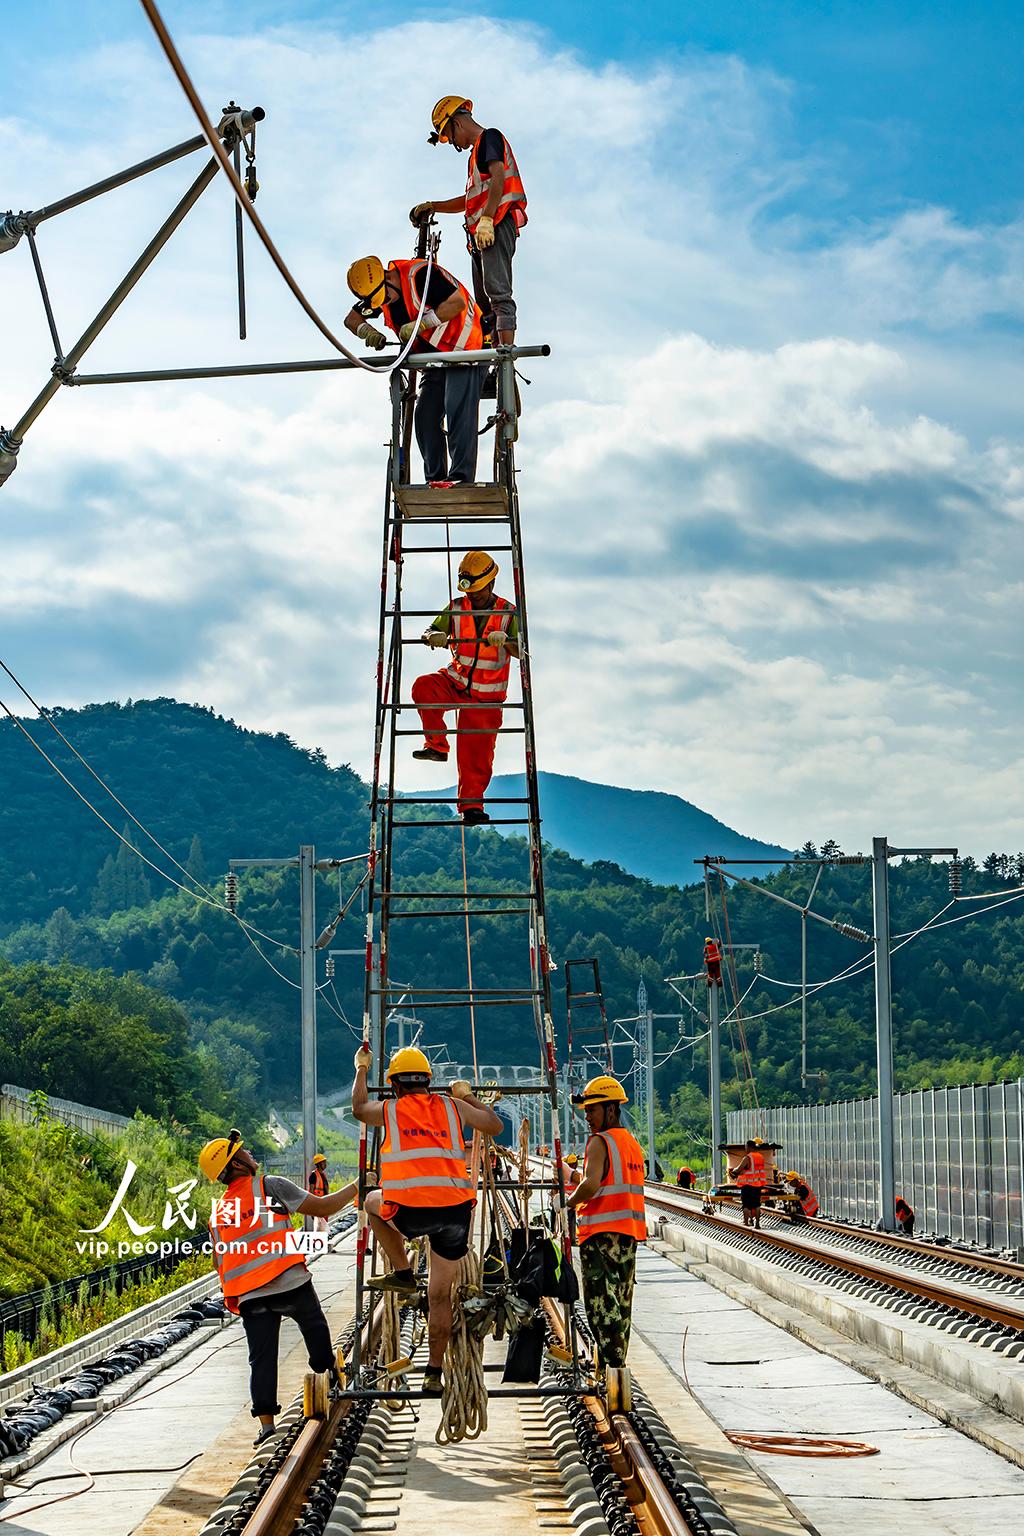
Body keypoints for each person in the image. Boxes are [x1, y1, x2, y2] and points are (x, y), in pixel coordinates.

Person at [352, 1044, 502, 1397]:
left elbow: (358, 1108)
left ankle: (403, 1272)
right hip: (455, 1214)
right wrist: (469, 1096)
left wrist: (361, 1068)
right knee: (439, 1297)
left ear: (395, 1086)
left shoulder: (390, 1110)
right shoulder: (452, 1107)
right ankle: (434, 1372)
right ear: (428, 1083)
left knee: (371, 1201)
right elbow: (494, 1125)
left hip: (410, 1212)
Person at [199, 1129, 356, 1446]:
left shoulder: (218, 1212)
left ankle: (267, 1426)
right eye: (245, 1152)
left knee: (261, 1357)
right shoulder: (269, 1185)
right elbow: (323, 1208)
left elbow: (221, 1262)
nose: (251, 1155)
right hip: (289, 1281)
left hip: (250, 1295)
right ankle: (328, 1378)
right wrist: (358, 1185)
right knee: (314, 1327)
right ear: (238, 1164)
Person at [344, 253, 484, 486]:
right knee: (425, 417)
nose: (385, 303)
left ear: (388, 279)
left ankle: (461, 477)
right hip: (433, 360)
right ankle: (436, 479)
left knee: (456, 408)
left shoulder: (421, 277)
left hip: (465, 349)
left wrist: (422, 324)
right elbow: (351, 319)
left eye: (385, 297)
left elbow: (456, 303)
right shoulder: (378, 291)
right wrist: (367, 332)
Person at [411, 96, 528, 353]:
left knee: (498, 293)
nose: (452, 142)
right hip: (483, 231)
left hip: (495, 223)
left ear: (457, 123)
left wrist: (486, 219)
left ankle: (505, 354)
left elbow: (498, 178)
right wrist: (434, 205)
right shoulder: (476, 154)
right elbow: (472, 199)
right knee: (485, 302)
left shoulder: (489, 138)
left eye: (449, 135)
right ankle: (494, 353)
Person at [411, 549, 520, 824]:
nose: (473, 596)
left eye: (479, 591)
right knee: (424, 687)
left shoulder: (508, 613)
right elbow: (430, 630)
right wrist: (432, 636)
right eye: (470, 591)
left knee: (476, 754)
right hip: (456, 681)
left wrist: (505, 640)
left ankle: (472, 807)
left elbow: (523, 650)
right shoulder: (457, 607)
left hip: (488, 695)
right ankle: (437, 745)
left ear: (491, 584)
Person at [565, 1075, 646, 1375]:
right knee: (622, 1303)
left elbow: (591, 1184)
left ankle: (613, 1369)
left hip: (601, 1236)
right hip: (628, 1235)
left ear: (611, 1110)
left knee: (600, 1304)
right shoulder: (631, 1144)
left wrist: (568, 1204)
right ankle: (616, 1365)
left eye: (593, 1110)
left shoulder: (600, 1142)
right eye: (586, 1110)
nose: (587, 1117)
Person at [730, 1138, 767, 1229]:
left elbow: (738, 1169)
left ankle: (746, 1222)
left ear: (750, 1147)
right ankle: (757, 1224)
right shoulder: (760, 1157)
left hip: (747, 1185)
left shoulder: (747, 1158)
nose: (745, 1149)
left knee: (746, 1205)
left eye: (746, 1147)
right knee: (757, 1204)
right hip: (758, 1185)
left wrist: (733, 1171)